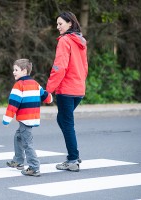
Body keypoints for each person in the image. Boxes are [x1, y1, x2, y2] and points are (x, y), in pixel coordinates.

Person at [46, 11, 88, 172]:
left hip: (66, 89)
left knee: (67, 123)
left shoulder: (65, 41)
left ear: (70, 23)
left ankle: (73, 159)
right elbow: (85, 67)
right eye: (57, 24)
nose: (57, 27)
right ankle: (73, 155)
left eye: (60, 24)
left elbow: (59, 67)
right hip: (78, 89)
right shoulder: (81, 41)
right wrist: (80, 84)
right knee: (63, 120)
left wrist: (48, 90)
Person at [3, 58, 53, 177]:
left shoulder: (19, 85)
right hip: (33, 117)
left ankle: (34, 167)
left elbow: (13, 103)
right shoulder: (35, 84)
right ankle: (18, 161)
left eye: (16, 70)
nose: (14, 72)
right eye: (13, 70)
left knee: (27, 143)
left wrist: (7, 118)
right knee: (18, 136)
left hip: (25, 118)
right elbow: (46, 96)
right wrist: (50, 98)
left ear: (24, 71)